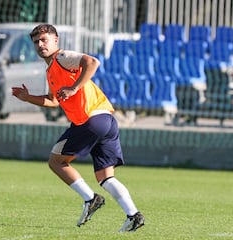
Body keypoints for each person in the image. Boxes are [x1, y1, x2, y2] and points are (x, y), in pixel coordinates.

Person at [12, 23, 145, 232]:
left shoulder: (62, 57)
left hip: (91, 120)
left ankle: (90, 199)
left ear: (56, 40)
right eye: (36, 42)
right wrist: (28, 98)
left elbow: (92, 62)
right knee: (105, 177)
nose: (40, 45)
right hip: (106, 121)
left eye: (44, 40)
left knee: (56, 162)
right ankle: (133, 216)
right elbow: (53, 100)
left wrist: (74, 88)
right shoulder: (51, 70)